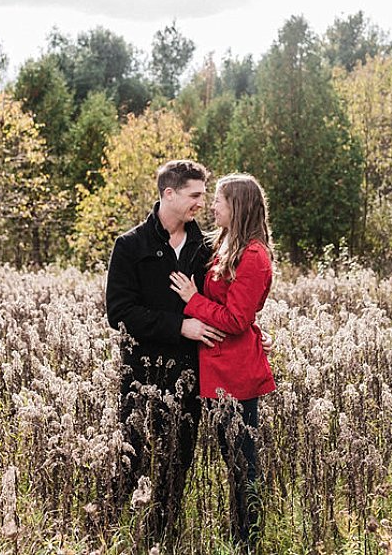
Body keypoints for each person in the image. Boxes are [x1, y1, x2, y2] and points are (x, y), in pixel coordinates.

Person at [105, 159, 226, 546]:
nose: (201, 204)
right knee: (129, 459)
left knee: (178, 465)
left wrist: (254, 335)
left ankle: (161, 541)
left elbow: (223, 305)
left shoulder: (205, 248)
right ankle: (107, 535)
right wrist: (179, 326)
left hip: (192, 374)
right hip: (140, 375)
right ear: (168, 194)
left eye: (204, 196)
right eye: (195, 195)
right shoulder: (130, 246)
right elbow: (119, 313)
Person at [169, 173, 276, 550]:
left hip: (236, 371)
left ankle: (248, 541)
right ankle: (240, 535)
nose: (212, 207)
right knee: (233, 459)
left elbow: (236, 319)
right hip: (214, 368)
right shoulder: (225, 244)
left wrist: (193, 300)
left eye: (219, 200)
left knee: (243, 462)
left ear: (238, 206)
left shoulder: (254, 255)